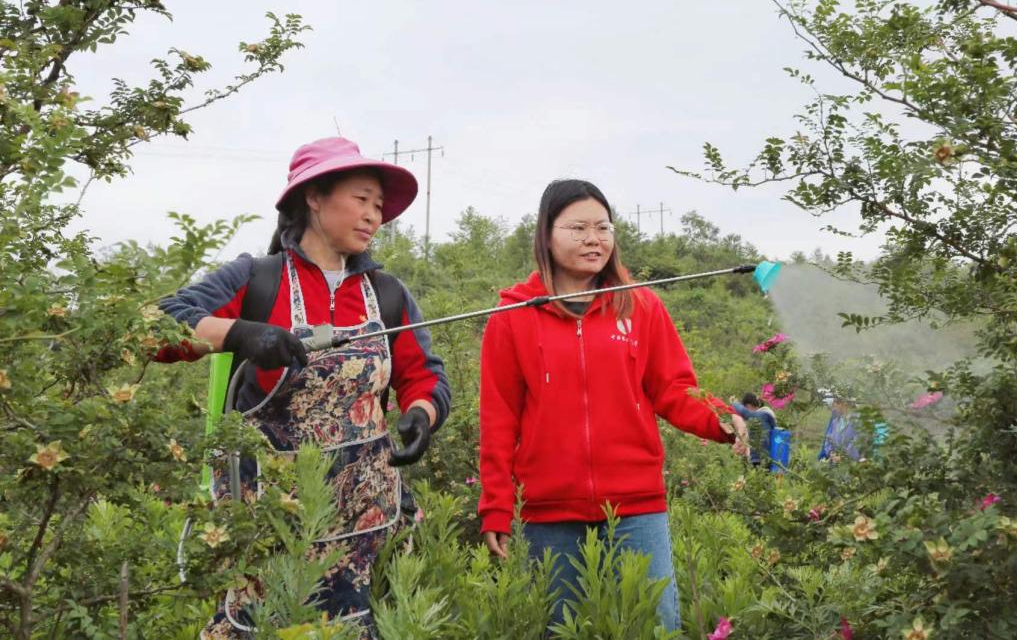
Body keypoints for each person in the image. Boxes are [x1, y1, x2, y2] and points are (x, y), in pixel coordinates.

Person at [158, 137, 451, 638]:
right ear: (314, 197)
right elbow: (161, 327)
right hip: (269, 522)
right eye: (361, 199)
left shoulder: (387, 295)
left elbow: (425, 375)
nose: (373, 216)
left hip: (364, 524)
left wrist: (421, 414)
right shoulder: (258, 278)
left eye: (379, 206)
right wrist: (242, 334)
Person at [477, 179, 748, 633]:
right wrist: (497, 507)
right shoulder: (513, 317)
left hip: (637, 507)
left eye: (603, 227)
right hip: (547, 512)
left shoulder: (641, 305)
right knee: (556, 628)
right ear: (546, 233)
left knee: (652, 626)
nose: (593, 239)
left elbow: (674, 387)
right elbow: (499, 419)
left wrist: (718, 418)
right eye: (578, 227)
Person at [730, 392, 777, 469]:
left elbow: (743, 411)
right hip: (766, 458)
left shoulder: (761, 415)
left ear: (748, 406)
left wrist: (734, 402)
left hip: (760, 459)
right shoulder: (766, 416)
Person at [818, 395, 860, 462]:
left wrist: (843, 457)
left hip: (851, 464)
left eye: (836, 403)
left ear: (845, 404)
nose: (834, 408)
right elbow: (829, 440)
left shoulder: (857, 420)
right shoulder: (836, 421)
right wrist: (831, 453)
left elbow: (858, 441)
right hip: (835, 463)